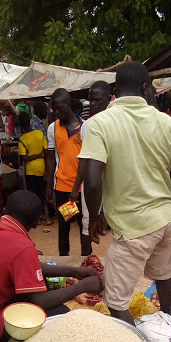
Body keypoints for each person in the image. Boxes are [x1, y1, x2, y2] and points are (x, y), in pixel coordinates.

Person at [79, 61, 171, 326]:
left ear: (116, 90)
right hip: (165, 219)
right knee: (162, 275)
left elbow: (92, 180)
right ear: (146, 88)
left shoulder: (99, 124)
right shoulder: (165, 122)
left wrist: (95, 217)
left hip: (132, 228)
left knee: (115, 302)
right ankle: (167, 323)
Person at [0, 190, 103, 342]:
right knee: (60, 315)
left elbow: (30, 268)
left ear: (6, 210)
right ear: (36, 222)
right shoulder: (22, 246)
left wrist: (74, 272)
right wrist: (82, 286)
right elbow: (38, 300)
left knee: (31, 291)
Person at [70, 81, 112, 255]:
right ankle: (85, 257)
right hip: (94, 179)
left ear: (109, 99)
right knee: (88, 221)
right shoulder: (87, 125)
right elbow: (85, 159)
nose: (93, 104)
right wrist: (77, 187)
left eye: (97, 100)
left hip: (116, 179)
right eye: (90, 100)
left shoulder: (119, 120)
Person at [46, 88, 86, 255]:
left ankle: (87, 259)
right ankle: (64, 261)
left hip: (83, 189)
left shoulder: (85, 127)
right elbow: (50, 158)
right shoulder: (52, 129)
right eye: (53, 109)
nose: (56, 112)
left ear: (68, 104)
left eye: (59, 108)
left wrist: (77, 189)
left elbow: (87, 159)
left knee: (85, 226)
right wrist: (48, 186)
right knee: (64, 227)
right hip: (62, 188)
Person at [18, 112, 52, 225]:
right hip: (42, 168)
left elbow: (25, 158)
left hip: (30, 170)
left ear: (21, 125)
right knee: (43, 193)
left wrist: (35, 156)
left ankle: (36, 218)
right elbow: (46, 153)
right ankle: (47, 217)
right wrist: (46, 168)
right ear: (29, 121)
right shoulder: (40, 134)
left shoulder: (22, 139)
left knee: (34, 194)